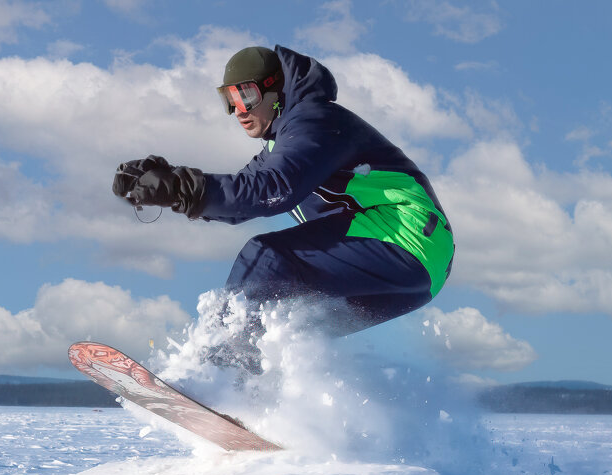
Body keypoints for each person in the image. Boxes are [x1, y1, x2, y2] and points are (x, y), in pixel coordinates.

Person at [112, 45, 454, 364]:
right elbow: (243, 199)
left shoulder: (315, 122)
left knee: (267, 256)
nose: (237, 111)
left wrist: (179, 186)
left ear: (275, 89)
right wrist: (169, 186)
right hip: (419, 273)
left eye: (244, 95)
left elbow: (273, 189)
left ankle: (215, 369)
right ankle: (272, 406)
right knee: (289, 326)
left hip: (407, 234)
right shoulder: (280, 147)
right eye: (228, 100)